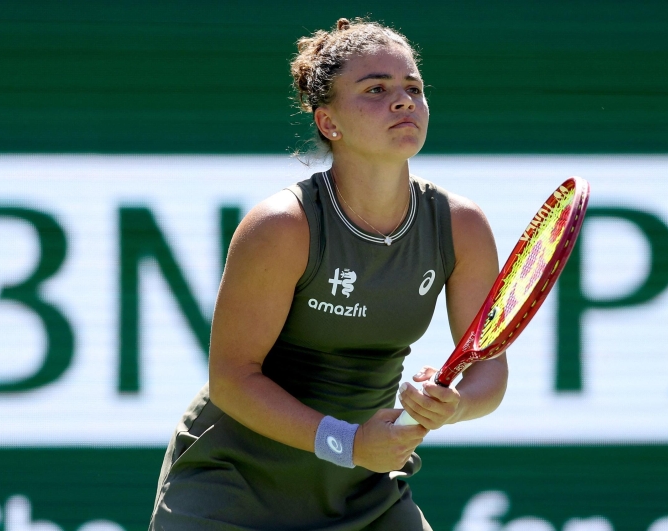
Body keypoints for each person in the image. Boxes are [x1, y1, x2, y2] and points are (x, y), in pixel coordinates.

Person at [150, 17, 508, 530]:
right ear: (328, 122)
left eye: (414, 87)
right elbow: (232, 379)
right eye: (375, 89)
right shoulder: (282, 227)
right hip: (232, 492)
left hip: (363, 493)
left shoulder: (461, 225)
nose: (404, 100)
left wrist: (451, 408)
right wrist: (351, 442)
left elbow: (490, 370)